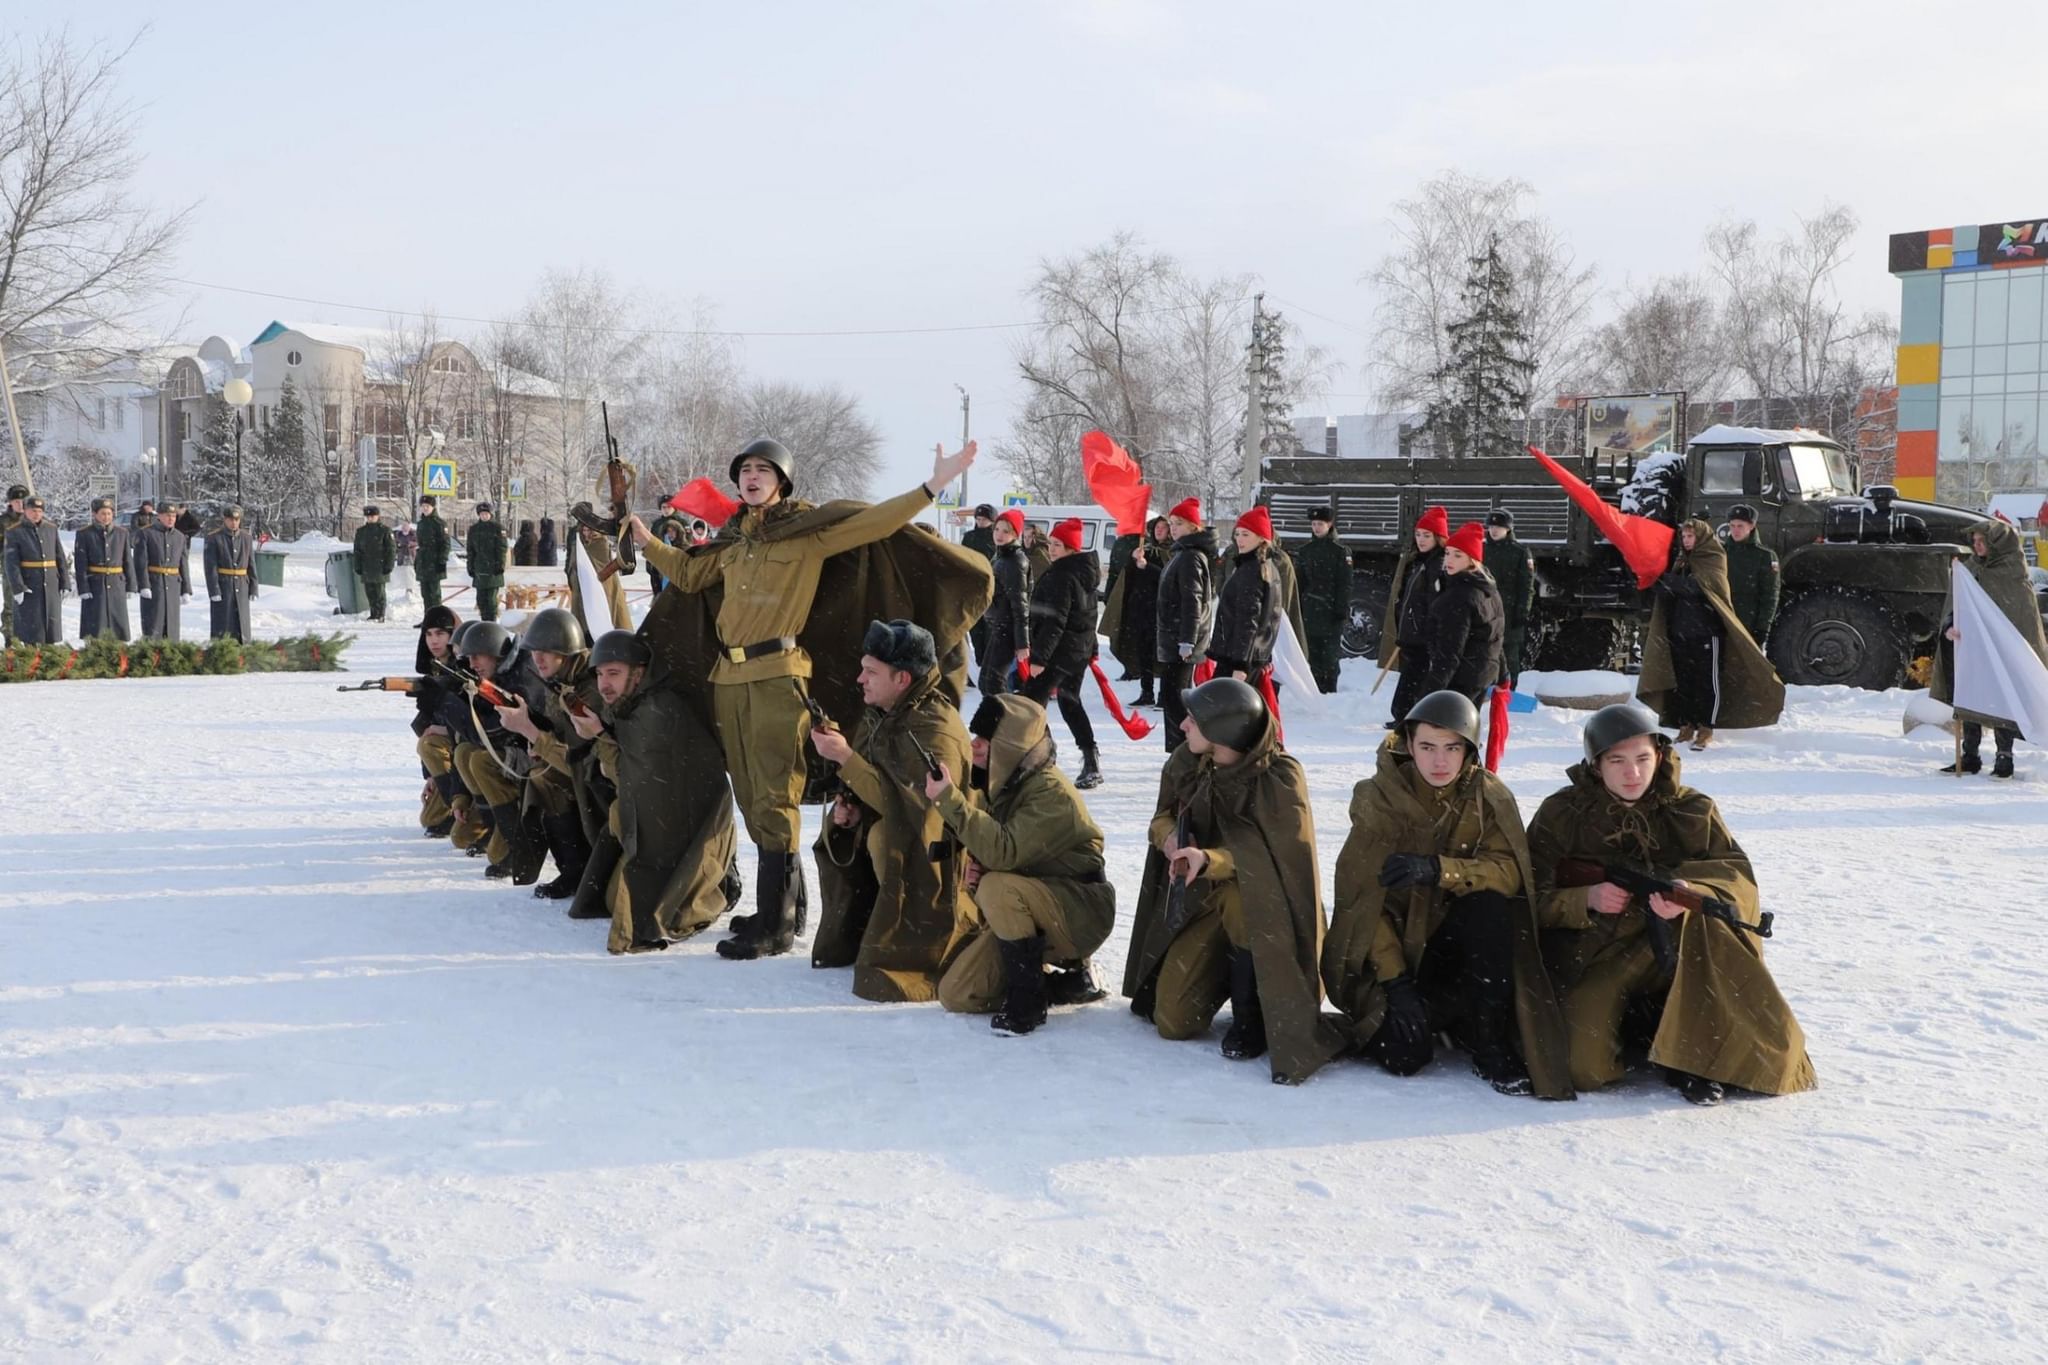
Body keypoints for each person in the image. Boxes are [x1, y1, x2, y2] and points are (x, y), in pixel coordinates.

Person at [629, 436, 983, 963]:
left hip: (778, 675)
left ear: (782, 482)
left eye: (762, 470)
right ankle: (784, 908)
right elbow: (686, 574)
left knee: (775, 794)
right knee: (751, 796)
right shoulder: (733, 544)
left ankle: (773, 923)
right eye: (745, 470)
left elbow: (877, 523)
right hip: (729, 675)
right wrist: (643, 539)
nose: (751, 477)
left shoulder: (804, 537)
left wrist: (933, 485)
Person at [1527, 704, 1816, 1105]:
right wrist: (1584, 898)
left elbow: (1737, 877)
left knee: (1769, 1052)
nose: (1633, 774)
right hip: (1599, 950)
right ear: (1596, 765)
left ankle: (1694, 1058)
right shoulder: (1562, 814)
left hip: (1683, 946)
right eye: (1617, 761)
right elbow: (1526, 896)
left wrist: (1692, 893)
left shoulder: (1691, 809)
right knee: (1583, 1069)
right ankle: (1643, 1030)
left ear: (1659, 756)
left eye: (1643, 759)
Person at [1322, 691, 1572, 1097]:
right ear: (1408, 745)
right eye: (1427, 747)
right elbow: (1363, 902)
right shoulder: (1377, 800)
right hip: (1393, 950)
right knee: (1404, 1056)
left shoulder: (1489, 798)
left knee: (1491, 906)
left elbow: (1509, 873)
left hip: (1450, 949)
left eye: (1452, 748)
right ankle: (1430, 1013)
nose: (1440, 762)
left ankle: (1487, 1037)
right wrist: (1396, 983)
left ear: (1469, 750)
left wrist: (1441, 870)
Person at [1122, 678, 1350, 1085]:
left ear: (1222, 731)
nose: (1184, 727)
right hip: (1204, 904)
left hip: (1266, 914)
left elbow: (1276, 859)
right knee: (1173, 1020)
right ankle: (1228, 976)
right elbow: (1161, 816)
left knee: (1246, 898)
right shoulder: (1187, 762)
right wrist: (1170, 836)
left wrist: (1210, 859)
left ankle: (1253, 1016)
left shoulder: (1279, 778)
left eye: (1194, 720)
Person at [807, 619, 977, 1001]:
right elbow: (880, 785)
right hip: (908, 828)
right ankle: (869, 929)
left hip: (940, 853)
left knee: (887, 838)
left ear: (902, 679)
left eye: (871, 672)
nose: (859, 679)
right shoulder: (886, 712)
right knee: (845, 832)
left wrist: (845, 758)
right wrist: (850, 807)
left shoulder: (934, 728)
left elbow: (915, 810)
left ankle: (909, 947)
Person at [933, 694, 1116, 1033]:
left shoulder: (1050, 793)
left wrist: (950, 801)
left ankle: (1027, 1004)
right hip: (1043, 904)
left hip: (1082, 911)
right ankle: (1067, 985)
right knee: (957, 994)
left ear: (1010, 745)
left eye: (985, 740)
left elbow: (1004, 851)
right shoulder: (1004, 785)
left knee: (997, 886)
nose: (974, 746)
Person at [579, 629, 742, 954]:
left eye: (614, 673)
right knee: (614, 900)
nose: (603, 684)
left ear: (639, 673)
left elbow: (630, 779)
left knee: (643, 914)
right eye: (599, 674)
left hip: (697, 837)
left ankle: (717, 883)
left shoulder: (657, 712)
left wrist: (598, 736)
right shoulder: (637, 703)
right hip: (674, 828)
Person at [1641, 518, 1785, 751]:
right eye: (1684, 537)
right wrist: (1655, 579)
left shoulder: (1714, 557)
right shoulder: (1680, 561)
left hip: (1707, 633)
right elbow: (1670, 591)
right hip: (1680, 632)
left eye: (1691, 536)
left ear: (1701, 537)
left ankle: (1706, 728)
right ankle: (1687, 725)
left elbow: (1701, 588)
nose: (1687, 541)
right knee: (1684, 683)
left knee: (1707, 683)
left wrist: (1666, 580)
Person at [495, 608, 600, 901]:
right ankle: (573, 870)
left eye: (546, 652)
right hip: (589, 778)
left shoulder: (589, 691)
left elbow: (582, 761)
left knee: (548, 780)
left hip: (605, 784)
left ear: (566, 654)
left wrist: (530, 732)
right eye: (534, 651)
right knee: (542, 778)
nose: (537, 658)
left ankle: (584, 870)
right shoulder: (560, 684)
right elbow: (561, 738)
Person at [1932, 518, 2048, 778]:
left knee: (2002, 698)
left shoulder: (2011, 573)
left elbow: (2020, 616)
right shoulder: (1971, 567)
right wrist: (1951, 624)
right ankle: (1969, 755)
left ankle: (2004, 758)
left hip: (2002, 653)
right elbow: (1960, 605)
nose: (1978, 546)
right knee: (1969, 694)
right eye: (1974, 542)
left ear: (1997, 543)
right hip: (1972, 648)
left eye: (1982, 541)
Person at [448, 621, 553, 885]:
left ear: (495, 653)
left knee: (482, 760)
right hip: (522, 753)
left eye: (477, 656)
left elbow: (494, 731)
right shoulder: (495, 676)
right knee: (463, 752)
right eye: (468, 657)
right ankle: (493, 826)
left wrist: (447, 707)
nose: (472, 663)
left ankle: (515, 841)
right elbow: (471, 736)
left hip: (540, 758)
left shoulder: (521, 678)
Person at [1022, 517, 1104, 790]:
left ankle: (1042, 758)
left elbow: (1055, 621)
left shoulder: (1062, 575)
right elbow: (1088, 616)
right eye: (1052, 544)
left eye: (1058, 545)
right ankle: (1091, 760)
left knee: (1033, 702)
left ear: (1071, 548)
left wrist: (1039, 658)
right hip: (1076, 653)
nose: (1052, 549)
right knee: (1069, 702)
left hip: (1058, 652)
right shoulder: (1083, 573)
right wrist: (1089, 649)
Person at [1414, 521, 1504, 707]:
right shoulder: (1488, 587)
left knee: (1447, 732)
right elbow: (1495, 636)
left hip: (1461, 678)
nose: (1449, 560)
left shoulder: (1459, 596)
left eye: (1458, 555)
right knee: (1466, 729)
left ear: (1472, 560)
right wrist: (1502, 673)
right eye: (1447, 553)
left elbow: (1450, 652)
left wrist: (1428, 696)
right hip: (1481, 674)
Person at [1154, 499, 1218, 752]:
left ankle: (1185, 749)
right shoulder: (1181, 553)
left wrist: (1187, 640)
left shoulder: (1190, 556)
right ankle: (1180, 749)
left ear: (1193, 526)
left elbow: (1192, 601)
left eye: (1178, 523)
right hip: (1175, 636)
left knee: (1175, 697)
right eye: (1171, 524)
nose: (1173, 528)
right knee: (1172, 696)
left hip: (1181, 639)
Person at [1385, 506, 1448, 725]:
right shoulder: (1420, 560)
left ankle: (1409, 716)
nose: (1421, 540)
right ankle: (1404, 715)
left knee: (1417, 678)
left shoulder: (1437, 564)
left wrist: (1426, 629)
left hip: (1423, 635)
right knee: (1411, 677)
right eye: (1418, 534)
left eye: (1426, 535)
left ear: (1438, 537)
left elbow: (1435, 602)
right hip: (1413, 633)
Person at [1210, 507, 1285, 691]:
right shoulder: (1263, 566)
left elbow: (1248, 621)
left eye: (1246, 534)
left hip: (1238, 658)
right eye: (1237, 534)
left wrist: (1240, 664)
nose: (1239, 540)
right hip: (1251, 656)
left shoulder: (1252, 570)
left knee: (1220, 715)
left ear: (1261, 538)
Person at [409, 605, 466, 839]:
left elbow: (473, 720)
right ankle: (452, 802)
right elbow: (428, 723)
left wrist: (443, 729)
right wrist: (431, 775)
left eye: (441, 634)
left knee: (428, 743)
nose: (434, 641)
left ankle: (460, 805)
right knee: (430, 819)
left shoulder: (466, 668)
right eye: (429, 634)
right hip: (449, 747)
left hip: (468, 747)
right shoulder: (435, 672)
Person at [1100, 515, 1167, 707]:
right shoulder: (1144, 550)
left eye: (1164, 528)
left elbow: (1167, 578)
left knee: (1161, 656)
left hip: (1160, 611)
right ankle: (1147, 693)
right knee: (1144, 652)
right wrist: (1133, 560)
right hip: (1141, 609)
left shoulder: (1171, 552)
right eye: (1157, 528)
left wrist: (1148, 567)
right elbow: (1127, 575)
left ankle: (1164, 696)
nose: (1159, 531)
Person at [1295, 507, 1350, 694]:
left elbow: (1344, 584)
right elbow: (1300, 582)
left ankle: (1330, 690)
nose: (1316, 528)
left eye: (1321, 524)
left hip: (1331, 610)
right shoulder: (1305, 551)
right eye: (1314, 524)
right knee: (1312, 653)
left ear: (1330, 525)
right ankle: (1315, 689)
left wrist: (1341, 611)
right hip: (1310, 609)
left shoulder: (1340, 552)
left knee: (1330, 655)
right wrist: (1298, 608)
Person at [978, 506, 1032, 698]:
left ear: (1015, 534)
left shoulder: (1014, 561)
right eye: (997, 529)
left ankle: (1004, 724)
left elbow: (1020, 604)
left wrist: (1022, 643)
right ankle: (998, 724)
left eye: (1006, 531)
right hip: (998, 626)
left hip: (1007, 629)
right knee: (986, 682)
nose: (999, 535)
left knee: (993, 684)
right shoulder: (1002, 556)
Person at [2, 495, 69, 644]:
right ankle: (31, 657)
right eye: (32, 510)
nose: (36, 514)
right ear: (25, 511)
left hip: (51, 584)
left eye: (39, 510)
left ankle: (48, 656)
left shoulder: (51, 528)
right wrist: (18, 587)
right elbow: (11, 563)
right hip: (30, 584)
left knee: (50, 626)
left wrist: (65, 582)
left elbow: (60, 557)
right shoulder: (14, 531)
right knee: (31, 628)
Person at [75, 497, 137, 641]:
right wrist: (83, 587)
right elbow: (81, 563)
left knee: (117, 623)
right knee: (96, 623)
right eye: (103, 513)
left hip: (117, 583)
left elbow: (128, 560)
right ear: (94, 515)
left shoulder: (122, 533)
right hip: (95, 584)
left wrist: (131, 585)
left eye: (109, 513)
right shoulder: (85, 534)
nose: (106, 517)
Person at [1484, 510, 1534, 686]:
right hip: (1486, 609)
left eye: (1499, 527)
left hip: (1509, 611)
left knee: (1509, 654)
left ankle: (1508, 688)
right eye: (1491, 526)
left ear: (1508, 529)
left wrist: (1522, 611)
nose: (1494, 530)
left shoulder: (1520, 552)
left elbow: (1526, 586)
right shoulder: (1482, 550)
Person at [136, 502, 193, 640]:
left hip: (173, 584)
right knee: (154, 623)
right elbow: (140, 562)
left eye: (173, 516)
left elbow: (183, 564)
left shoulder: (180, 537)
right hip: (154, 584)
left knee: (172, 625)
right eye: (168, 515)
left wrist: (186, 589)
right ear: (159, 516)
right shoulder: (146, 533)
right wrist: (144, 585)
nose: (171, 519)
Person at [203, 505, 258, 642]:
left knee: (242, 623)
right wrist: (214, 590)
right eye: (230, 519)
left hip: (242, 584)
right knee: (223, 622)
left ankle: (243, 648)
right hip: (224, 585)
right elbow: (210, 567)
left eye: (236, 520)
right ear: (225, 520)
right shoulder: (214, 538)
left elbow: (251, 564)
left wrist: (254, 588)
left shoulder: (246, 538)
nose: (234, 523)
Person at [962, 504, 998, 666]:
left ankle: (988, 665)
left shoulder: (996, 538)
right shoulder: (969, 537)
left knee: (990, 631)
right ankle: (980, 663)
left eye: (984, 519)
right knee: (976, 631)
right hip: (973, 588)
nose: (980, 521)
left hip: (992, 589)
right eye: (977, 518)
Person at [353, 505, 397, 623]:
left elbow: (391, 549)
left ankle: (380, 614)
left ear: (378, 516)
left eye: (372, 516)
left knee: (379, 592)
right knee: (369, 591)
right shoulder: (361, 531)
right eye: (368, 516)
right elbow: (357, 550)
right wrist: (357, 565)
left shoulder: (385, 531)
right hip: (367, 565)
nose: (370, 518)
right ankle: (373, 613)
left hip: (380, 565)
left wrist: (389, 565)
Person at [466, 503, 508, 621]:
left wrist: (500, 564)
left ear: (491, 514)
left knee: (491, 600)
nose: (484, 516)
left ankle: (491, 622)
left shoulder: (498, 528)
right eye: (482, 514)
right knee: (481, 599)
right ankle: (484, 622)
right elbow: (470, 550)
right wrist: (470, 565)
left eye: (486, 514)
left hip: (493, 569)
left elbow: (502, 548)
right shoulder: (474, 529)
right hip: (479, 568)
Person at [414, 496, 451, 610]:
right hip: (423, 561)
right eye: (423, 506)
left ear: (433, 507)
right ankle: (428, 618)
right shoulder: (421, 523)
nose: (425, 508)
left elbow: (445, 544)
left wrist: (442, 560)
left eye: (427, 506)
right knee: (425, 593)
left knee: (434, 594)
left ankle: (436, 619)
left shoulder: (439, 523)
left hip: (434, 561)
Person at [0, 483, 24, 645]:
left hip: (31, 571)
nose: (20, 504)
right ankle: (10, 639)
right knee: (11, 605)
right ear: (10, 502)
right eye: (16, 501)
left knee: (30, 607)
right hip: (10, 570)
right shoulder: (3, 522)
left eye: (23, 501)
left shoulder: (33, 519)